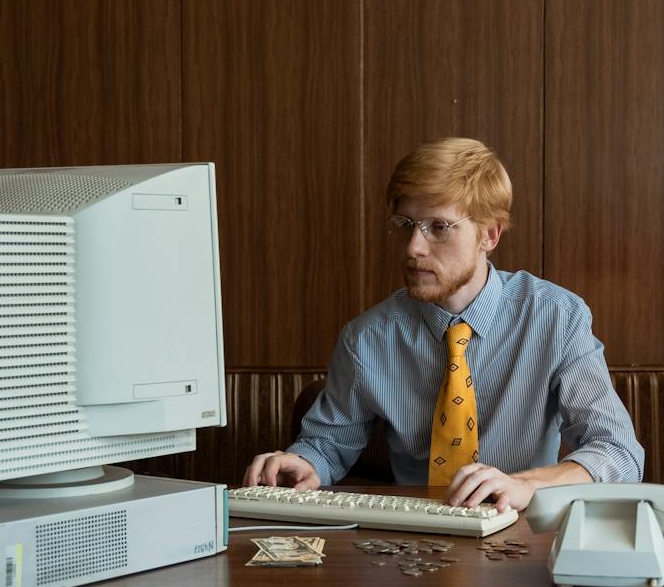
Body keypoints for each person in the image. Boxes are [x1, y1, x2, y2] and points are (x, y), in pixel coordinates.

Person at [242, 137, 643, 510]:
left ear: (489, 234)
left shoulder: (556, 317)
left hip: (521, 536)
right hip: (413, 538)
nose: (414, 248)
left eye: (438, 227)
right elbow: (327, 444)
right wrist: (302, 462)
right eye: (405, 225)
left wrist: (525, 485)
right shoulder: (366, 338)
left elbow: (618, 453)